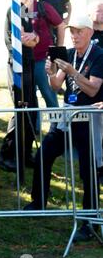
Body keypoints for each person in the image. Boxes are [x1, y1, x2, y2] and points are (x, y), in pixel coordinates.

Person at [25, 15, 103, 242]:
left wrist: (73, 73)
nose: (74, 35)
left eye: (79, 31)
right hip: (67, 116)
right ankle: (38, 202)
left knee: (88, 170)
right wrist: (51, 72)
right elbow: (57, 85)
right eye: (72, 31)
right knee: (44, 154)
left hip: (88, 118)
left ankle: (89, 221)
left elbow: (92, 89)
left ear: (89, 32)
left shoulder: (98, 55)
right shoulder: (69, 53)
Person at [0, 0, 40, 173]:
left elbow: (34, 37)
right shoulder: (14, 9)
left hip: (30, 62)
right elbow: (15, 39)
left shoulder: (29, 10)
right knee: (20, 109)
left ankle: (25, 154)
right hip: (16, 65)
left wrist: (32, 38)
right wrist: (28, 39)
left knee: (31, 109)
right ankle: (8, 155)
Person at [31, 0, 66, 109]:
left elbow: (61, 25)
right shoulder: (17, 9)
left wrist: (58, 50)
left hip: (43, 59)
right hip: (26, 61)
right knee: (29, 99)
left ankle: (56, 126)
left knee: (49, 95)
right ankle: (34, 127)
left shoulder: (42, 6)